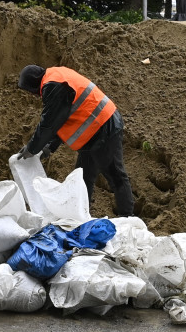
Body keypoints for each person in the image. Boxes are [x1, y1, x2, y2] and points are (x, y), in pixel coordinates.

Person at [16, 64, 135, 217]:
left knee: (115, 175)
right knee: (84, 179)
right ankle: (81, 216)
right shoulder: (56, 77)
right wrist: (48, 147)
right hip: (94, 133)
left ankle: (128, 218)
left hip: (104, 127)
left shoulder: (53, 86)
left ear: (33, 86)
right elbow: (61, 119)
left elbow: (49, 124)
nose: (33, 95)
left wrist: (32, 148)